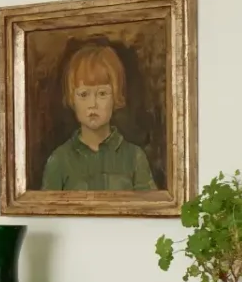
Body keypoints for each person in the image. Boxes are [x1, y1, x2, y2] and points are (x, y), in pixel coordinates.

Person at [41, 43, 156, 192]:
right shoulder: (59, 161)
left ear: (115, 97)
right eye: (83, 95)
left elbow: (151, 209)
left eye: (102, 94)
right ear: (72, 99)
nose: (92, 104)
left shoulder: (134, 158)